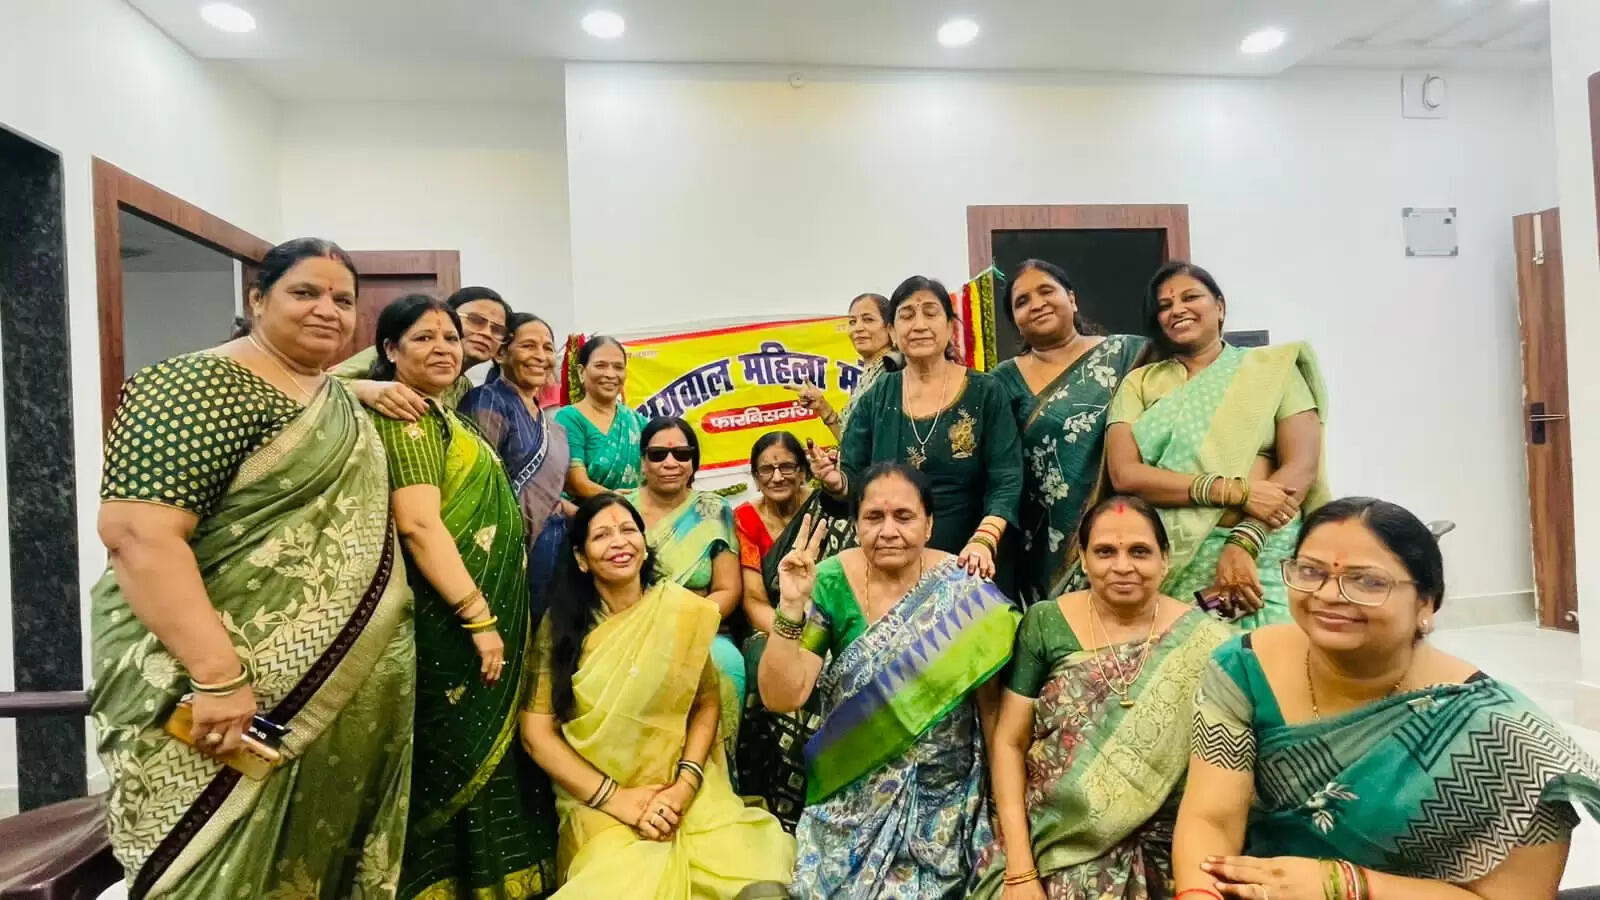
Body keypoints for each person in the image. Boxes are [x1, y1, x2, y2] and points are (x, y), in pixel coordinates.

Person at [91, 238, 414, 898]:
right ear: (258, 299)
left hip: (340, 698)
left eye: (342, 299)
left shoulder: (334, 396)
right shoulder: (193, 385)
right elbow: (137, 535)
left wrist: (364, 388)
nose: (327, 309)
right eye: (305, 292)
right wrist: (217, 676)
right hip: (224, 697)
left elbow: (329, 389)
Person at [1173, 497, 1600, 900]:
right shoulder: (1242, 667)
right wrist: (1198, 893)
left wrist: (1342, 885)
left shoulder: (1503, 738)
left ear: (1426, 603)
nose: (1328, 594)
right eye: (1310, 571)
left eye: (1367, 581)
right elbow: (1212, 820)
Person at [366, 295, 556, 898]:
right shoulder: (406, 417)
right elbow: (420, 526)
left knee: (484, 746)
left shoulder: (446, 413)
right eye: (424, 338)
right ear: (390, 350)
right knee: (454, 750)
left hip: (477, 613)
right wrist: (478, 618)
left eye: (450, 338)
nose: (443, 348)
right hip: (447, 621)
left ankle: (488, 877)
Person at [760, 462, 1020, 897]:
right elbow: (782, 696)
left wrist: (1005, 817)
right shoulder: (829, 582)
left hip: (948, 800)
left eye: (904, 516)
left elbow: (994, 714)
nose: (888, 531)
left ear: (929, 524)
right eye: (873, 517)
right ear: (855, 524)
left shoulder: (966, 590)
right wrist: (789, 608)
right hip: (852, 795)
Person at [519, 493, 795, 898]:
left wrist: (684, 787)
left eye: (628, 530)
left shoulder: (680, 612)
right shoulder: (561, 628)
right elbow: (535, 733)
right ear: (581, 558)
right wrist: (617, 799)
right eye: (602, 535)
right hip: (599, 803)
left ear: (644, 545)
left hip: (686, 793)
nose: (619, 542)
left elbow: (706, 703)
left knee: (760, 882)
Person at [971, 495, 1230, 899]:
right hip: (1051, 844)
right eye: (1105, 552)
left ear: (1165, 559)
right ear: (1084, 559)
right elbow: (1009, 742)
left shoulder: (1207, 643)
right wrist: (1019, 871)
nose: (1122, 566)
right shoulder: (1047, 622)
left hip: (1168, 851)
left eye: (1139, 552)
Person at [1106, 261, 1328, 628]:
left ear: (1220, 307)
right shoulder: (1139, 384)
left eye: (1191, 297)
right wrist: (1236, 491)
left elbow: (1302, 465)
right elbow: (1125, 474)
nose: (1178, 309)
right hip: (1177, 556)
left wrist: (1244, 541)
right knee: (1189, 655)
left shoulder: (1272, 368)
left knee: (1274, 652)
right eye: (1165, 305)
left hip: (1266, 545)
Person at [810, 276, 1024, 583]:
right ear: (892, 332)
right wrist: (836, 483)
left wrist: (984, 540)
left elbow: (1007, 477)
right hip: (894, 563)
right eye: (907, 315)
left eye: (930, 313)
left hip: (972, 562)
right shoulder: (877, 396)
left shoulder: (985, 391)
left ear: (950, 327)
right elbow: (854, 478)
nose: (919, 325)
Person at [991, 259, 1150, 607]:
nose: (1037, 303)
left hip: (1126, 524)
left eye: (1046, 291)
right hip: (1039, 545)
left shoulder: (1129, 354)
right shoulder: (1000, 381)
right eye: (1022, 301)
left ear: (1072, 299)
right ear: (1015, 321)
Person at [623, 417, 747, 768]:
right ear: (643, 462)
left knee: (726, 664)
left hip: (699, 628)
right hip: (629, 628)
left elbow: (727, 589)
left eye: (681, 454)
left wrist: (684, 623)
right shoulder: (621, 511)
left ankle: (715, 773)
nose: (670, 463)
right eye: (658, 454)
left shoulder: (713, 510)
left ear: (693, 462)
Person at [731, 431, 832, 829]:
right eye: (766, 469)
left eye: (787, 466)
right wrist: (790, 632)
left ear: (803, 471)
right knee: (766, 665)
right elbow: (754, 600)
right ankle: (781, 799)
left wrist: (816, 631)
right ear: (755, 477)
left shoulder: (824, 510)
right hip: (771, 625)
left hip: (825, 620)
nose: (777, 476)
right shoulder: (746, 519)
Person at [460, 312, 572, 615]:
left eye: (547, 348)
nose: (540, 356)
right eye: (528, 346)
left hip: (550, 549)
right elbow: (476, 487)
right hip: (502, 552)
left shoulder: (553, 426)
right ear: (501, 353)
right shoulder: (488, 402)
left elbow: (548, 496)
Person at [335, 285, 513, 417]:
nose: (486, 333)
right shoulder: (389, 355)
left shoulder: (463, 387)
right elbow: (324, 384)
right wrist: (363, 389)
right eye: (476, 320)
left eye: (497, 329)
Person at [790, 292, 899, 438]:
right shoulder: (868, 375)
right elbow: (851, 442)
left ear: (890, 327)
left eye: (868, 319)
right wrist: (822, 406)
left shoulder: (894, 370)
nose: (857, 328)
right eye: (852, 322)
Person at [554, 335, 646, 495]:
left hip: (634, 509)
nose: (610, 374)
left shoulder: (638, 422)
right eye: (600, 366)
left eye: (618, 367)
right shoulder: (569, 418)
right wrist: (615, 500)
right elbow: (577, 482)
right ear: (581, 372)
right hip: (586, 509)